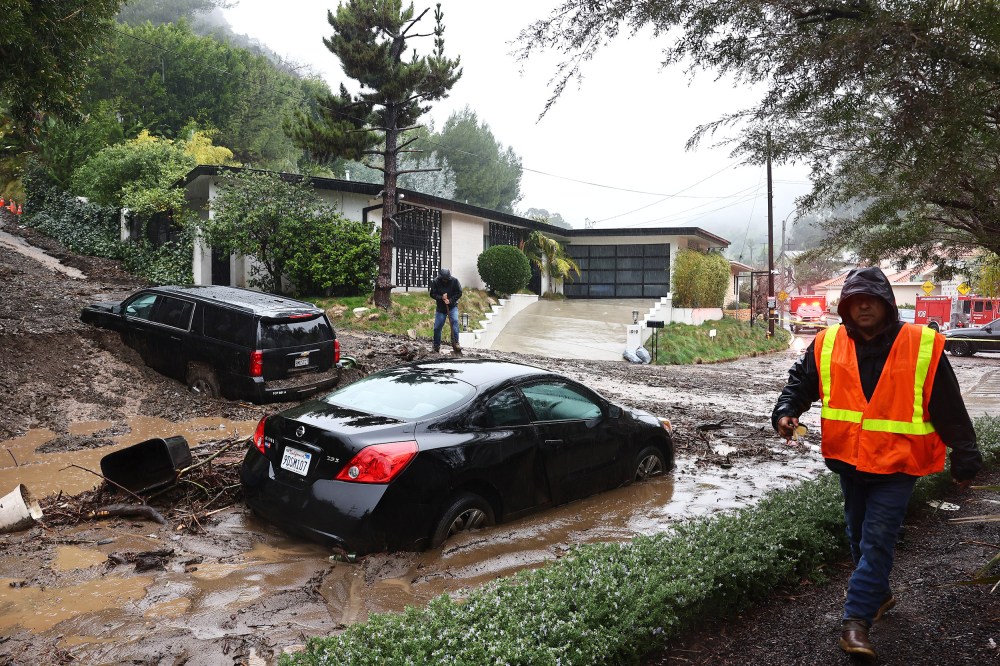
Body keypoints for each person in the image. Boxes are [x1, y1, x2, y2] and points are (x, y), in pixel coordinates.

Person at [772, 267, 981, 661]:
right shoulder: (827, 342)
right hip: (849, 461)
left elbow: (949, 407)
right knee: (857, 536)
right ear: (844, 307)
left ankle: (856, 622)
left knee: (877, 540)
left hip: (899, 465)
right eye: (854, 300)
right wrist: (785, 412)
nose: (862, 306)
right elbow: (800, 385)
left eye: (870, 299)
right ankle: (879, 596)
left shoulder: (921, 344)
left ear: (886, 304)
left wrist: (965, 457)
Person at [429, 267, 462, 353]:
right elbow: (432, 294)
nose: (445, 281)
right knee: (437, 327)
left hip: (452, 307)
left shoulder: (455, 281)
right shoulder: (435, 282)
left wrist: (450, 300)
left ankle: (456, 343)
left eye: (446, 279)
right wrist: (441, 298)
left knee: (454, 321)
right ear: (440, 278)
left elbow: (459, 292)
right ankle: (436, 345)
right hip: (440, 308)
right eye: (443, 279)